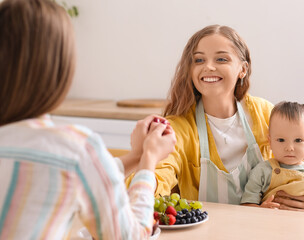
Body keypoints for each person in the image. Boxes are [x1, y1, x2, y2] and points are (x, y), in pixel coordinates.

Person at [0, 0, 176, 239]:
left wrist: (136, 157)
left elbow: (75, 173)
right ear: (59, 68)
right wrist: (149, 162)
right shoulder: (75, 148)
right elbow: (129, 236)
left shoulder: (72, 155)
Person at [127, 24, 304, 212]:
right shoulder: (177, 129)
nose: (209, 67)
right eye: (199, 60)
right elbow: (151, 186)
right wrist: (143, 159)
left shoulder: (265, 113)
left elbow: (298, 168)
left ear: (243, 69)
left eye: (221, 59)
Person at [240, 102, 304, 215]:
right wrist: (261, 210)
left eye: (298, 140)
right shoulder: (261, 172)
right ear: (270, 142)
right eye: (281, 140)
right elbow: (247, 205)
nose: (289, 148)